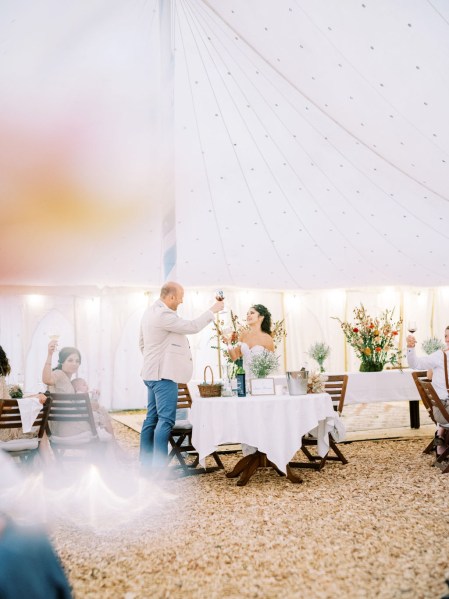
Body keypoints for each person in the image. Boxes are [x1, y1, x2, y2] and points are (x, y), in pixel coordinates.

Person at [139, 282, 224, 471]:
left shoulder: (149, 312)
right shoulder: (164, 314)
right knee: (166, 420)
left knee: (151, 419)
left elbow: (142, 343)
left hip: (151, 373)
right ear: (170, 297)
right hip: (163, 375)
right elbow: (192, 326)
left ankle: (145, 465)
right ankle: (159, 468)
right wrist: (213, 310)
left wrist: (152, 360)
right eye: (180, 296)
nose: (182, 300)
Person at [224, 304, 275, 456]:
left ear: (261, 317)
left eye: (252, 313)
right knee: (247, 418)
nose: (248, 315)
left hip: (261, 384)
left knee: (262, 418)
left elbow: (272, 365)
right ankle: (250, 455)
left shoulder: (267, 338)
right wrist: (227, 343)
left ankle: (265, 452)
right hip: (245, 383)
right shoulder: (243, 335)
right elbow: (235, 357)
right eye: (247, 313)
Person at [42, 344, 114, 443]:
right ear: (62, 361)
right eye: (70, 360)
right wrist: (50, 354)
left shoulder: (71, 382)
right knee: (102, 421)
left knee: (101, 413)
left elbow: (76, 405)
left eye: (77, 361)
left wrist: (93, 399)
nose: (74, 363)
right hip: (64, 426)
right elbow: (46, 379)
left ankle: (112, 449)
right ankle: (115, 449)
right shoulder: (59, 374)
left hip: (70, 422)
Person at [407, 327, 449, 455]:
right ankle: (440, 435)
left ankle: (440, 435)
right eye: (446, 336)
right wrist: (411, 348)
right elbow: (416, 364)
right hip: (443, 410)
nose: (447, 340)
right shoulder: (440, 356)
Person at [0, 345, 48, 444]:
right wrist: (32, 398)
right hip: (2, 431)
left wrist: (32, 397)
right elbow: (5, 406)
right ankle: (47, 459)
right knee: (39, 429)